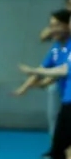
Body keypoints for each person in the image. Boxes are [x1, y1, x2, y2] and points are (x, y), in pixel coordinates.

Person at [16, 9, 70, 143]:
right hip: (65, 98)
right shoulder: (56, 47)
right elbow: (44, 68)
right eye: (51, 26)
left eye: (57, 25)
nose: (52, 30)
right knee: (59, 138)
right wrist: (25, 87)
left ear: (67, 25)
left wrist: (35, 73)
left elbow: (63, 70)